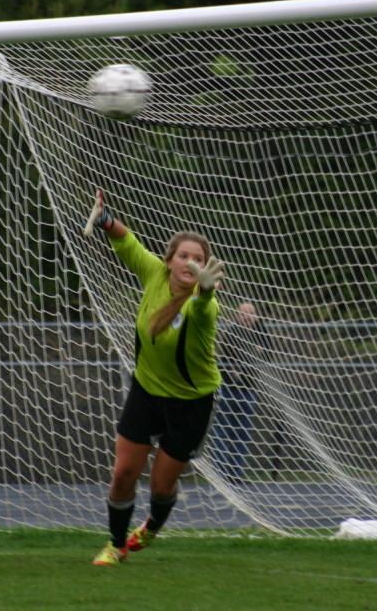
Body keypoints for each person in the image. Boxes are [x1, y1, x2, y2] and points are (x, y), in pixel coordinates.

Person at [87, 190, 226, 567]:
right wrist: (104, 219)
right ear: (169, 260)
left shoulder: (205, 303)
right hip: (147, 390)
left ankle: (150, 528)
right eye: (184, 256)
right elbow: (127, 242)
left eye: (199, 259)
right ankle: (115, 545)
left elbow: (200, 310)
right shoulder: (154, 273)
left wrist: (207, 289)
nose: (191, 262)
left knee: (162, 485)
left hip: (191, 402)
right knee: (123, 473)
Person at [209, 302, 269, 484]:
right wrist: (237, 366)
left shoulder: (261, 332)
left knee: (242, 431)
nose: (247, 317)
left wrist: (253, 353)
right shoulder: (232, 332)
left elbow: (267, 353)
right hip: (229, 387)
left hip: (248, 388)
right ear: (237, 316)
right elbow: (227, 356)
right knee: (223, 429)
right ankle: (220, 472)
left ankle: (236, 472)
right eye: (243, 314)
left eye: (250, 314)